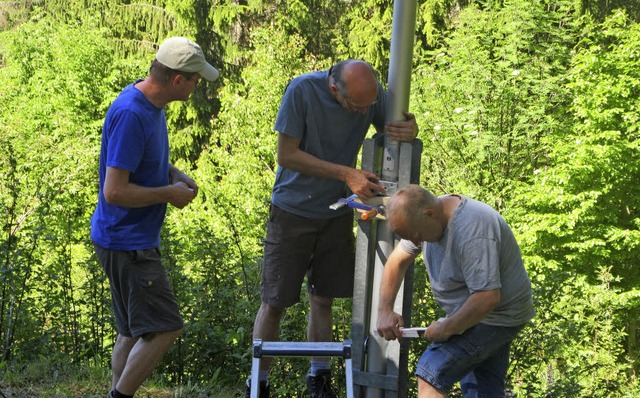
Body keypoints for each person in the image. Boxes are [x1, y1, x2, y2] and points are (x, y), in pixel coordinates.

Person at [247, 59, 419, 398]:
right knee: (275, 302)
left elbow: (396, 125)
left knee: (323, 299)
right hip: (291, 211)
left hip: (336, 211)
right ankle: (258, 381)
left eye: (368, 105)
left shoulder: (368, 93)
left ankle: (319, 379)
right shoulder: (302, 91)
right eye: (356, 105)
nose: (362, 112)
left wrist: (409, 129)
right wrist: (346, 174)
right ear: (334, 88)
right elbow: (286, 155)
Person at [90, 36, 219, 398]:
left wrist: (172, 174)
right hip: (127, 244)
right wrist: (168, 194)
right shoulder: (133, 112)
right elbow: (114, 191)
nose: (197, 86)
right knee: (165, 328)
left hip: (123, 240)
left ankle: (116, 391)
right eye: (195, 80)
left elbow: (139, 160)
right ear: (178, 80)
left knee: (132, 331)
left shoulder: (149, 104)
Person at [376, 184, 535, 397]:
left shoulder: (473, 229)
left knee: (431, 371)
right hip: (474, 311)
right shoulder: (422, 215)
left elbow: (487, 298)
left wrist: (447, 328)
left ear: (429, 214)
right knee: (481, 391)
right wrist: (385, 310)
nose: (415, 242)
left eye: (416, 235)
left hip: (496, 316)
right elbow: (396, 261)